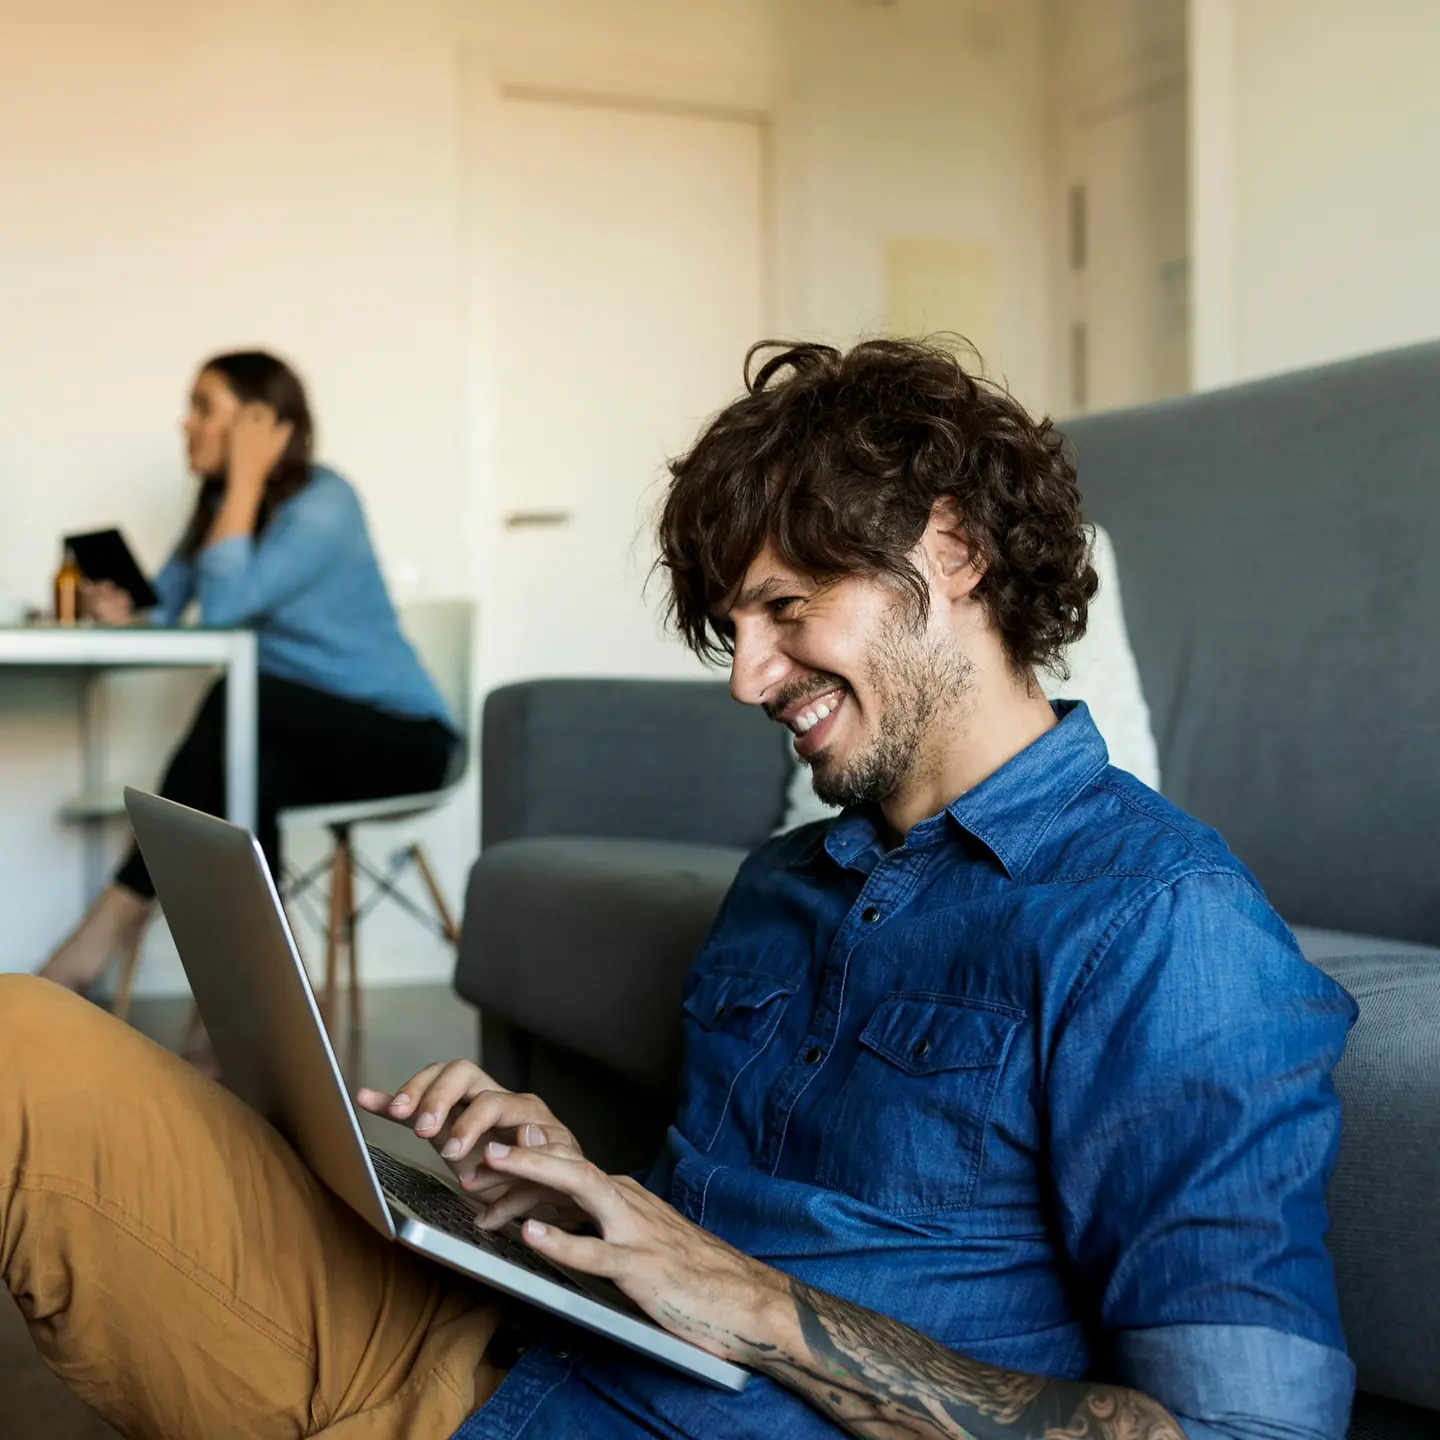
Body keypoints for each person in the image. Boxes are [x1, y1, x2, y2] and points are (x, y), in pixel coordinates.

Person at [1, 339, 1356, 1439]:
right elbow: (702, 1223)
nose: (747, 680)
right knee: (21, 1042)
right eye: (734, 627)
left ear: (952, 550)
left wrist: (761, 1308)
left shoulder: (1163, 925)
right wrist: (564, 1194)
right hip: (467, 1338)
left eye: (786, 609)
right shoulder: (786, 883)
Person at [37, 351, 458, 994]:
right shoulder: (216, 511)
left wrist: (243, 482)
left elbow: (229, 608)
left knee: (241, 699)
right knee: (249, 763)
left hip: (402, 737)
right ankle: (263, 1009)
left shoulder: (326, 501)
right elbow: (170, 614)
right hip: (289, 732)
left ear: (261, 424)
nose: (186, 425)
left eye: (205, 408)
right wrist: (122, 613)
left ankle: (105, 927)